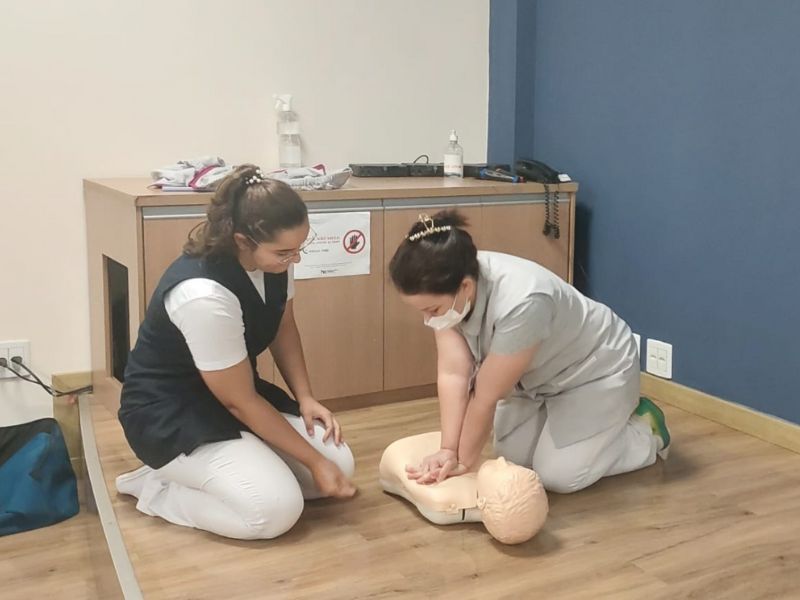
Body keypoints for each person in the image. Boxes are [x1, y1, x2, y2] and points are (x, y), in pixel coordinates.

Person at [115, 165, 356, 540]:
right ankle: (156, 487)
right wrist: (313, 459)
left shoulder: (275, 261)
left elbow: (283, 327)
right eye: (286, 252)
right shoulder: (203, 294)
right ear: (243, 240)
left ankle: (236, 470)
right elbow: (240, 402)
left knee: (340, 465)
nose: (295, 260)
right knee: (273, 512)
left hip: (232, 392)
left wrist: (305, 397)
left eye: (299, 248)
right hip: (169, 413)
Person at [388, 211, 670, 494]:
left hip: (594, 371)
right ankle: (590, 432)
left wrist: (462, 463)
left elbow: (485, 397)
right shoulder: (446, 278)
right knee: (513, 459)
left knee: (558, 476)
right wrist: (448, 449)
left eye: (432, 310)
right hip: (537, 377)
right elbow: (453, 374)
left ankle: (644, 433)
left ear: (465, 287)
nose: (428, 320)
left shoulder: (523, 302)